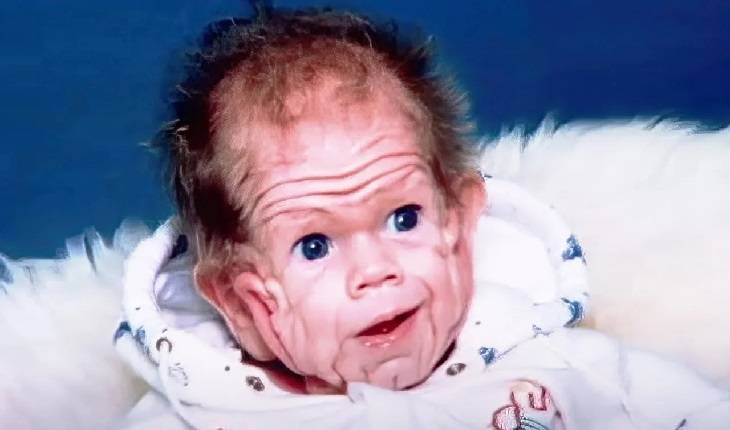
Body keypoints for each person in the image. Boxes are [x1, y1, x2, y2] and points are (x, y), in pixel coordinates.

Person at [113, 7, 730, 429]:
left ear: (459, 224)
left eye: (404, 218)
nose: (376, 270)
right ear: (243, 300)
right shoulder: (197, 413)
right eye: (315, 246)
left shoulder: (558, 360)